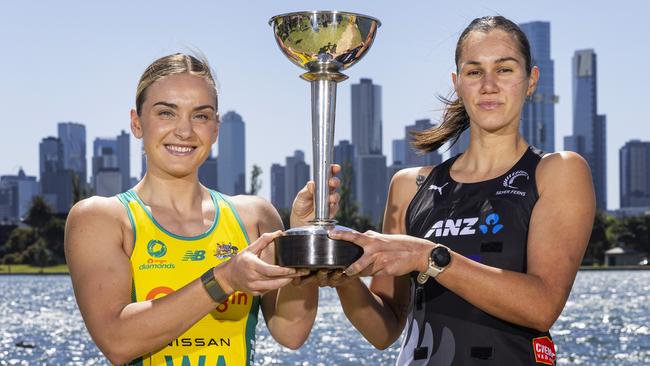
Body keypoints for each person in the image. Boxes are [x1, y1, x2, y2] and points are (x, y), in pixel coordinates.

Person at [324, 16, 596, 365]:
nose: (488, 85)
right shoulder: (410, 186)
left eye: (505, 70)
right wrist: (342, 277)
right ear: (458, 83)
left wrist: (429, 257)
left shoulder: (556, 171)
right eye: (473, 72)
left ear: (531, 81)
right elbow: (384, 331)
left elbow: (541, 307)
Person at [65, 53, 338, 366]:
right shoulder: (101, 219)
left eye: (201, 116)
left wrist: (300, 238)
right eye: (166, 113)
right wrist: (223, 280)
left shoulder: (254, 216)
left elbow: (291, 332)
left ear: (216, 128)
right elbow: (117, 341)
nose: (184, 131)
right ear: (136, 122)